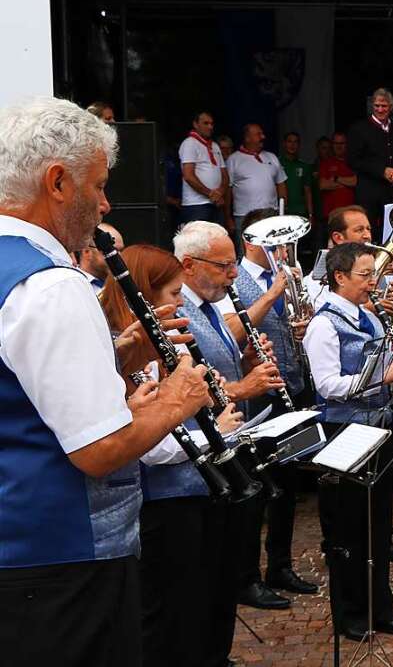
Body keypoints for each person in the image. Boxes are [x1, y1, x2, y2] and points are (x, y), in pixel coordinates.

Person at [0, 96, 211, 667]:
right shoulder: (51, 285)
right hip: (64, 557)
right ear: (58, 182)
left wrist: (112, 360)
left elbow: (21, 393)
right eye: (97, 185)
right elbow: (98, 449)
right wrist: (177, 398)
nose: (106, 202)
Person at [99, 244, 244, 667]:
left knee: (199, 602)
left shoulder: (169, 346)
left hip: (194, 491)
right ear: (145, 296)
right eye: (174, 294)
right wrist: (215, 433)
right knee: (167, 613)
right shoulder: (123, 351)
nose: (182, 303)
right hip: (161, 500)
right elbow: (152, 444)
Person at [173, 220, 288, 661]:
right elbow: (195, 391)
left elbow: (222, 369)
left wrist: (248, 361)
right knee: (203, 579)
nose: (233, 274)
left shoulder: (209, 306)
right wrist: (244, 387)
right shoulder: (178, 311)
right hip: (200, 462)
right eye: (223, 266)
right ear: (189, 265)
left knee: (225, 566)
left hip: (233, 442)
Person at [304, 242, 393, 640]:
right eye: (366, 275)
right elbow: (327, 385)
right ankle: (350, 612)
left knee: (377, 524)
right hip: (344, 431)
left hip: (378, 427)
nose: (374, 282)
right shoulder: (324, 324)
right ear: (339, 277)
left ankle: (379, 606)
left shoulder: (369, 317)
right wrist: (381, 378)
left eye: (374, 274)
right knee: (349, 527)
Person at [219, 209, 317, 609]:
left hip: (289, 384)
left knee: (286, 486)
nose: (284, 249)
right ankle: (247, 577)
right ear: (251, 242)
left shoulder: (292, 276)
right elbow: (231, 328)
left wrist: (303, 326)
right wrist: (273, 294)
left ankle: (281, 564)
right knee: (256, 488)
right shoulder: (232, 280)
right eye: (275, 241)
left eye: (287, 241)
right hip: (253, 392)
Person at [347, 88, 393, 240]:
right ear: (372, 106)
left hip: (392, 191)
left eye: (384, 106)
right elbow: (353, 160)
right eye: (377, 105)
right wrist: (381, 171)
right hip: (368, 191)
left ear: (391, 107)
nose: (380, 109)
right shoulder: (359, 129)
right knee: (366, 229)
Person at [227, 123, 288, 243]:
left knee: (272, 250)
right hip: (244, 216)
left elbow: (281, 184)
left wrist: (283, 210)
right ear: (247, 138)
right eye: (258, 134)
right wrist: (228, 218)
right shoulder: (233, 160)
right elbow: (227, 191)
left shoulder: (272, 157)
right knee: (245, 252)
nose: (263, 137)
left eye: (262, 133)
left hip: (270, 214)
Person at [179, 110, 232, 225]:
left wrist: (219, 194)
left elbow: (225, 175)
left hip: (216, 203)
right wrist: (211, 194)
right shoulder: (190, 143)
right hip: (196, 205)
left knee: (217, 241)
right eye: (206, 123)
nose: (210, 127)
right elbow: (188, 176)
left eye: (212, 124)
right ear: (195, 124)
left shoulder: (215, 146)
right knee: (198, 241)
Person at [319, 131, 357, 226]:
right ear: (332, 144)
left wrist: (336, 178)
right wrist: (346, 182)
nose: (339, 146)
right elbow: (323, 185)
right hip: (331, 214)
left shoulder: (353, 162)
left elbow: (355, 182)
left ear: (347, 144)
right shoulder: (326, 163)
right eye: (336, 143)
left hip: (351, 214)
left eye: (342, 143)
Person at [77, 220, 124, 289]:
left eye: (121, 251)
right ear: (87, 251)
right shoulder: (69, 283)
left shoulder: (121, 286)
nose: (120, 256)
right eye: (111, 250)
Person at [281, 131, 315, 221]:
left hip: (300, 212)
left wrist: (310, 214)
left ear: (299, 145)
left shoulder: (304, 166)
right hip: (282, 212)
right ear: (284, 144)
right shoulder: (276, 163)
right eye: (289, 141)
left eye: (295, 142)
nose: (292, 145)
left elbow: (308, 191)